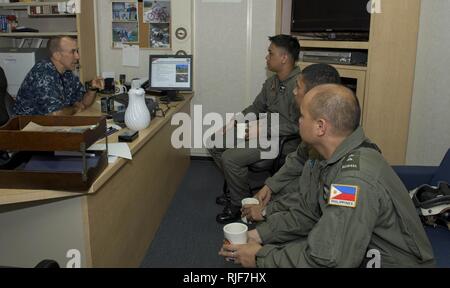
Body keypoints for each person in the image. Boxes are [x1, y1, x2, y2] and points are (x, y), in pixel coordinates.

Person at [220, 84, 435, 268]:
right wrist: (258, 236)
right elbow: (309, 214)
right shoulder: (325, 158)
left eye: (302, 116)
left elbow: (326, 260)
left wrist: (260, 258)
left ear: (320, 126)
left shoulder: (353, 181)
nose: (298, 122)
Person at [208, 34, 302, 224]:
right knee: (214, 142)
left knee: (230, 158)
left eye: (270, 53)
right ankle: (241, 193)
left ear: (284, 58)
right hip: (260, 132)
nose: (266, 57)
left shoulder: (300, 85)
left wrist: (266, 129)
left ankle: (239, 204)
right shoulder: (273, 82)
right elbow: (256, 108)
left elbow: (299, 125)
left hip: (282, 141)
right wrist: (234, 122)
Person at [241, 63, 341, 223]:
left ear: (314, 95)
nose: (294, 91)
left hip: (330, 229)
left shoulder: (348, 178)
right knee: (276, 194)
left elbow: (314, 206)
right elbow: (298, 158)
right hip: (315, 205)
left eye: (298, 87)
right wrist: (270, 186)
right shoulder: (318, 131)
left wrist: (266, 215)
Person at [13, 36, 104, 116]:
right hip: (29, 129)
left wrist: (92, 89)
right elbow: (56, 115)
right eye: (73, 52)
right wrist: (75, 108)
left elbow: (83, 103)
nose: (77, 56)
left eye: (77, 51)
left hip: (51, 126)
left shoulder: (66, 72)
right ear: (57, 55)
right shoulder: (43, 74)